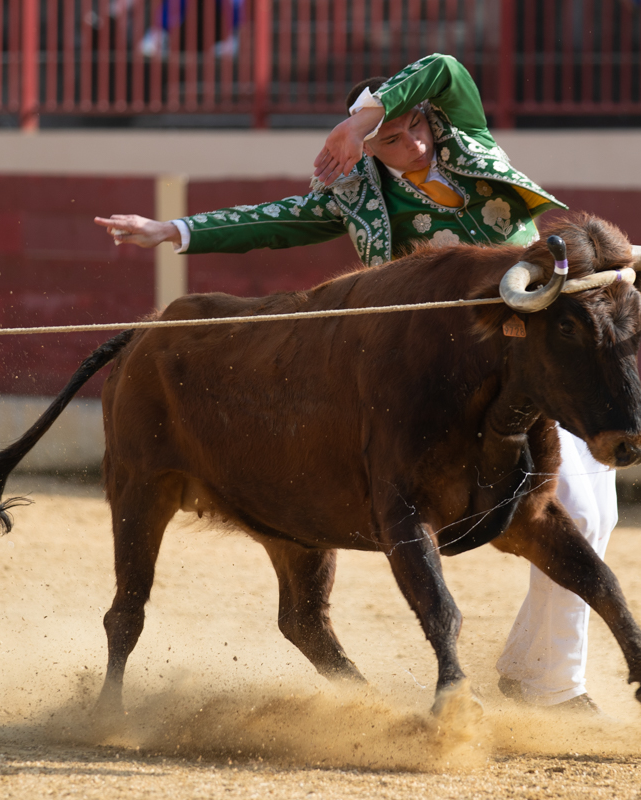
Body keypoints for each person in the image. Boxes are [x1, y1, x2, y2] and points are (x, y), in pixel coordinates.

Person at [94, 53, 613, 715]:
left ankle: (535, 668)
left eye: (417, 126)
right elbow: (276, 220)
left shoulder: (469, 142)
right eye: (391, 138)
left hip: (532, 354)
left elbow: (446, 68)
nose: (416, 144)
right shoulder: (360, 194)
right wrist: (175, 229)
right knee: (572, 511)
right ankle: (553, 683)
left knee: (595, 515)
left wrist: (363, 116)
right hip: (439, 386)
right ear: (370, 153)